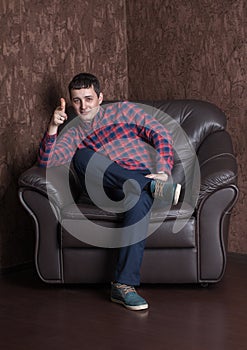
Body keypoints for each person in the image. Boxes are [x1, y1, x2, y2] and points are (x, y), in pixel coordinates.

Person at [38, 72, 181, 311]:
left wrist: (164, 171)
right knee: (83, 157)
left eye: (88, 98)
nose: (83, 106)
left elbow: (160, 133)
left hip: (140, 183)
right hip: (105, 189)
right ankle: (152, 187)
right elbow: (46, 162)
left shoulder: (124, 111)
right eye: (77, 100)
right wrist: (53, 126)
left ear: (100, 97)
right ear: (71, 102)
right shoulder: (73, 133)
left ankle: (123, 286)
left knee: (138, 194)